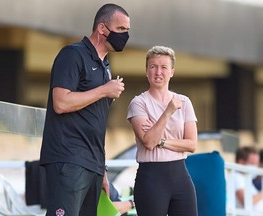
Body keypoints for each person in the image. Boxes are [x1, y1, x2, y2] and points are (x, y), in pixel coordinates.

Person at [39, 3, 130, 216]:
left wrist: (103, 171)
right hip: (68, 159)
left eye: (127, 31)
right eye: (121, 30)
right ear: (102, 28)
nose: (125, 36)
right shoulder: (72, 55)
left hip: (93, 164)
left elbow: (96, 123)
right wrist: (104, 90)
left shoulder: (106, 66)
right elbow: (60, 103)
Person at [127, 46, 198, 216]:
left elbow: (191, 144)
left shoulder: (184, 102)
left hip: (181, 174)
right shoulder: (138, 103)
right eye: (153, 67)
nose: (158, 72)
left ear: (172, 72)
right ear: (146, 71)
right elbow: (149, 142)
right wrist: (168, 112)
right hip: (151, 176)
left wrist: (163, 141)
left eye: (164, 67)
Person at [234, 146, 263, 211]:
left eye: (257, 164)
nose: (256, 167)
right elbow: (246, 202)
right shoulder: (236, 177)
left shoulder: (245, 179)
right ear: (241, 162)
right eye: (253, 163)